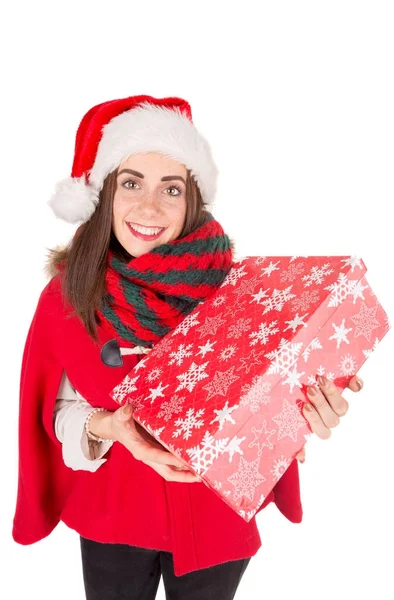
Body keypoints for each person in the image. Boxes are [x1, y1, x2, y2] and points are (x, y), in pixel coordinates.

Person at [12, 95, 363, 600]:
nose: (149, 207)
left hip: (217, 515)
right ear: (103, 195)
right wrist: (111, 427)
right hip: (113, 514)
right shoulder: (67, 296)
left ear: (191, 201)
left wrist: (306, 409)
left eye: (170, 188)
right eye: (130, 183)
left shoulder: (240, 292)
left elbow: (266, 400)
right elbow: (55, 412)